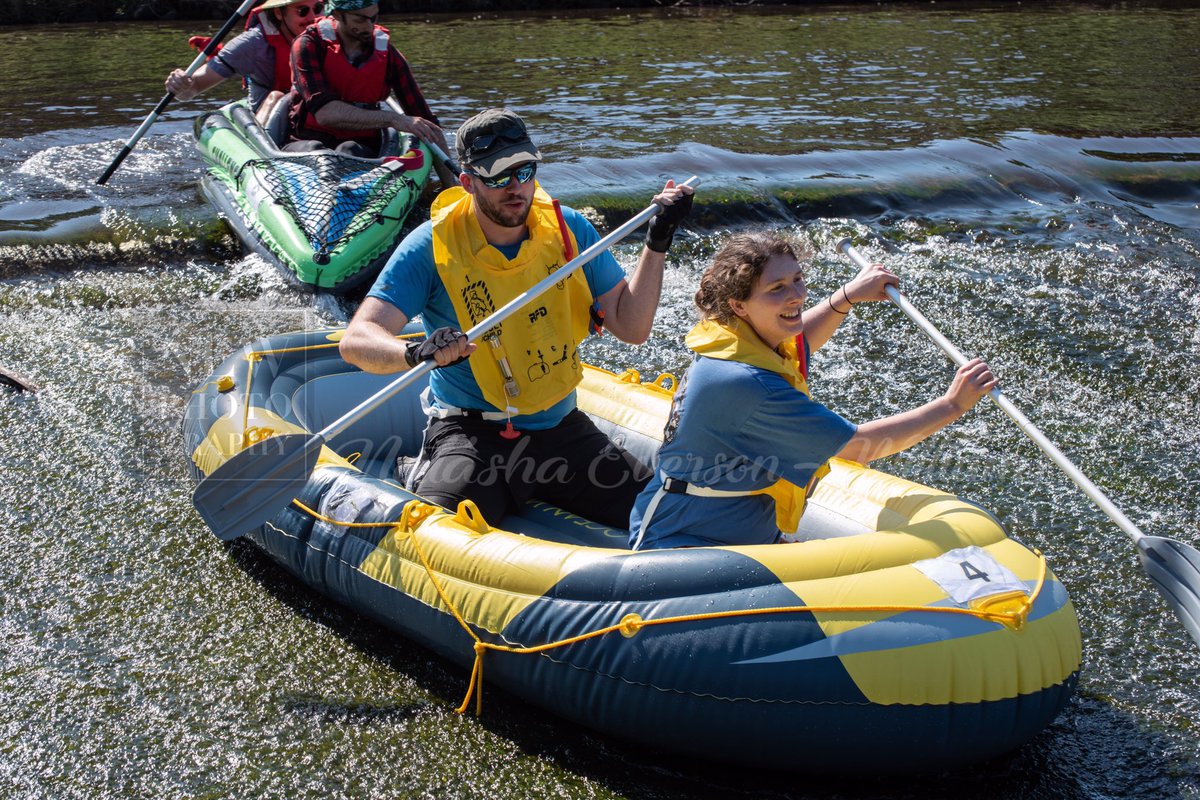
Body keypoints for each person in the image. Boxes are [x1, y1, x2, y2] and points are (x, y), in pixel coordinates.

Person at [339, 108, 694, 528]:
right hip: (471, 435)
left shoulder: (569, 230)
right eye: (497, 176)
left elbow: (631, 328)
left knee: (668, 519)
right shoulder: (430, 246)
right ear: (468, 182)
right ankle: (418, 468)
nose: (516, 188)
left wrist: (657, 242)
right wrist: (416, 351)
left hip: (561, 428)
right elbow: (357, 340)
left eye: (524, 171)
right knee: (443, 535)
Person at [629, 232, 998, 551]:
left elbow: (800, 340)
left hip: (741, 530)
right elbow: (857, 448)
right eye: (777, 289)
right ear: (738, 305)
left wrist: (846, 297)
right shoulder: (744, 382)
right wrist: (953, 404)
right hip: (683, 538)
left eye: (797, 280)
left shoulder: (744, 337)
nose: (796, 296)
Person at [285, 0, 448, 158]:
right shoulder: (308, 45)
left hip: (361, 146)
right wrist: (394, 119)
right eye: (360, 19)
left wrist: (452, 183)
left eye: (373, 18)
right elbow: (325, 115)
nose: (369, 26)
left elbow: (427, 122)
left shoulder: (388, 55)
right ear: (338, 15)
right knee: (316, 149)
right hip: (307, 141)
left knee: (349, 149)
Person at [164, 0, 318, 126]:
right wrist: (181, 85)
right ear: (278, 13)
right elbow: (194, 87)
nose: (313, 17)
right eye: (302, 11)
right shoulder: (252, 44)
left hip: (316, 108)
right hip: (271, 115)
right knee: (276, 97)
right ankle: (261, 152)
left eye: (318, 8)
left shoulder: (330, 35)